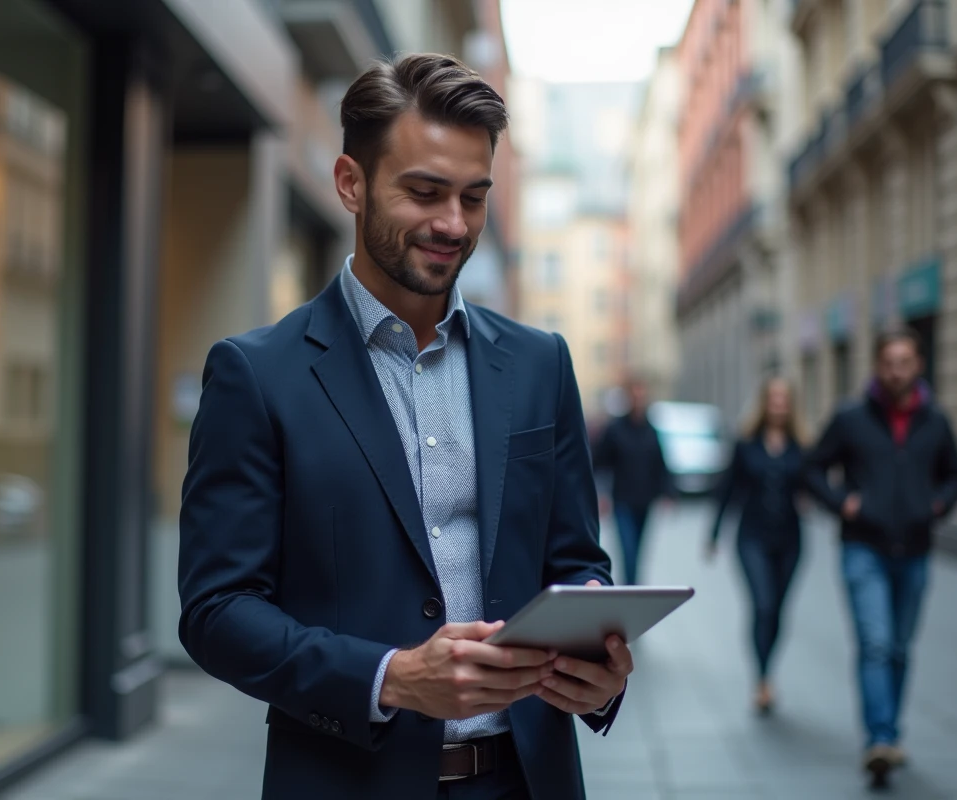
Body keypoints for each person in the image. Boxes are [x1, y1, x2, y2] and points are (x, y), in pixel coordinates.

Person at [178, 54, 631, 800]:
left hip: (526, 782)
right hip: (346, 781)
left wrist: (597, 666)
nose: (454, 225)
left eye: (474, 197)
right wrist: (391, 678)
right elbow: (217, 612)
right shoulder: (256, 376)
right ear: (350, 183)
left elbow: (577, 561)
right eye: (424, 193)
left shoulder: (539, 363)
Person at [805, 328, 957, 786]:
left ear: (918, 366)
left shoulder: (935, 420)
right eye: (890, 362)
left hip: (914, 550)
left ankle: (890, 736)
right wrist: (843, 503)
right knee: (875, 643)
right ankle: (880, 738)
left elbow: (955, 474)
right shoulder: (852, 417)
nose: (898, 370)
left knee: (898, 647)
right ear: (878, 366)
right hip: (863, 548)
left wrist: (936, 506)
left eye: (906, 362)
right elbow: (814, 467)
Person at [706, 378, 807, 715]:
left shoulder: (801, 446)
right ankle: (762, 679)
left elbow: (816, 484)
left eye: (784, 398)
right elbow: (727, 489)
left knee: (777, 611)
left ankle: (768, 670)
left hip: (790, 541)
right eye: (773, 398)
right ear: (765, 402)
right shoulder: (746, 443)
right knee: (763, 605)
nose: (779, 404)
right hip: (751, 538)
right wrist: (714, 534)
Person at [592, 376, 673, 585]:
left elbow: (660, 464)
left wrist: (668, 493)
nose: (638, 399)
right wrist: (601, 494)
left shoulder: (651, 430)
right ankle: (631, 588)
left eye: (642, 394)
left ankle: (633, 587)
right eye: (634, 394)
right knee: (628, 550)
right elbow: (599, 463)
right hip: (622, 501)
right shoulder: (615, 429)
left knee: (638, 551)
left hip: (645, 501)